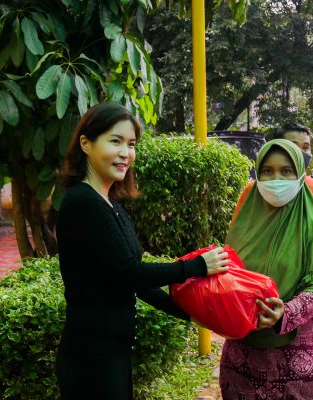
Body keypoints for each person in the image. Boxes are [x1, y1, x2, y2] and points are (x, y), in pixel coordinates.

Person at [55, 103, 229, 400]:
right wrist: (196, 267)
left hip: (112, 353)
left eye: (131, 144)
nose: (125, 153)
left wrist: (189, 314)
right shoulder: (82, 203)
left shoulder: (111, 206)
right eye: (115, 141)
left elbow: (134, 283)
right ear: (86, 143)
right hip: (90, 358)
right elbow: (129, 273)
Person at [220, 139, 313, 400]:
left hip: (295, 362)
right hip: (241, 360)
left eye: (286, 171)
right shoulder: (244, 223)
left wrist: (286, 312)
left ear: (300, 175)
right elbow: (230, 273)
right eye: (268, 171)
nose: (276, 179)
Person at [235, 124, 313, 244]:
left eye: (306, 147)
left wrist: (310, 242)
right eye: (293, 145)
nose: (300, 152)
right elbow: (237, 234)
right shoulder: (253, 190)